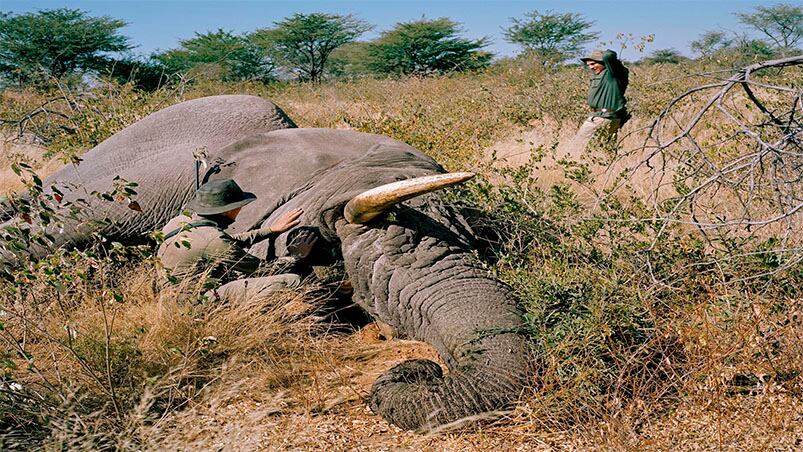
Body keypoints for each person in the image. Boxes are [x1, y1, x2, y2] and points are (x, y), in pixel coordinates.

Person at [157, 179, 317, 302]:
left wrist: (271, 230)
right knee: (293, 281)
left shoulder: (178, 222)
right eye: (239, 206)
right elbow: (262, 270)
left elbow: (227, 241)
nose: (240, 209)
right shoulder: (213, 240)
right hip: (193, 306)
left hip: (169, 300)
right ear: (228, 211)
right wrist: (296, 257)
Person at [565, 49, 630, 159]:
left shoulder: (613, 74)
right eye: (588, 65)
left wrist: (604, 55)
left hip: (602, 118)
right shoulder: (602, 75)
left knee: (575, 148)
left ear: (604, 62)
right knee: (605, 151)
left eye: (593, 63)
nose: (590, 67)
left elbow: (609, 56)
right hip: (604, 117)